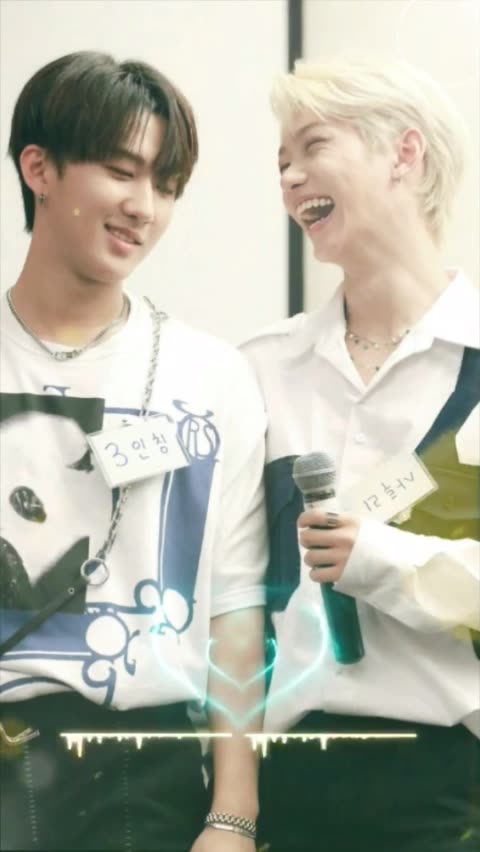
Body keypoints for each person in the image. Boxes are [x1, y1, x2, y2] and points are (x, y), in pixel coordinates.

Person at [0, 51, 267, 852]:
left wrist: (233, 814)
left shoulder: (211, 376)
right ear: (38, 169)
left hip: (146, 776)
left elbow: (235, 606)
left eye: (167, 185)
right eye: (122, 172)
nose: (144, 207)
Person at [242, 58, 480, 852]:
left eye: (313, 146)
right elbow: (231, 596)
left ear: (404, 154)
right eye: (281, 161)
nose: (289, 177)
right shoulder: (260, 368)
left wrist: (379, 560)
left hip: (450, 792)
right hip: (288, 786)